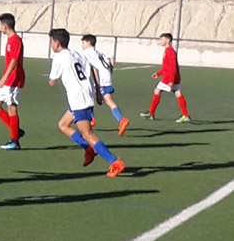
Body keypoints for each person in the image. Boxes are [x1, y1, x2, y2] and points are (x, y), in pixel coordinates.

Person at [48, 28, 126, 177]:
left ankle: (115, 162)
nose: (51, 44)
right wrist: (97, 91)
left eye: (52, 41)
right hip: (86, 95)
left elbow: (52, 81)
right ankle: (89, 149)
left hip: (78, 99)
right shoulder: (77, 54)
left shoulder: (59, 58)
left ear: (57, 43)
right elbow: (92, 70)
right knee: (63, 125)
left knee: (88, 134)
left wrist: (53, 79)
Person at [81, 34, 130, 135]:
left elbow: (95, 69)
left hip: (102, 80)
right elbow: (110, 62)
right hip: (107, 78)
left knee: (94, 97)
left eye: (83, 42)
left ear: (88, 43)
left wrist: (98, 86)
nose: (82, 44)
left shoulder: (86, 53)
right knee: (104, 100)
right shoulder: (100, 53)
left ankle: (120, 120)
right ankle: (119, 120)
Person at [0, 13, 25, 150]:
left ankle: (14, 141)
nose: (0, 28)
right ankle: (16, 131)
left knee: (12, 108)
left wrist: (4, 78)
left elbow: (15, 61)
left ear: (5, 26)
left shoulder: (16, 40)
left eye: (0, 25)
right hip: (7, 79)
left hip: (14, 79)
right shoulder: (10, 40)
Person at [141, 33, 191, 122]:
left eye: (162, 39)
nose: (160, 41)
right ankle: (186, 115)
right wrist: (158, 73)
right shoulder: (168, 50)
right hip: (173, 77)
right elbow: (166, 66)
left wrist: (171, 80)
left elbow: (172, 67)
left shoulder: (170, 51)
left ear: (167, 40)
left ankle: (151, 114)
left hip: (169, 78)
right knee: (177, 93)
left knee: (157, 90)